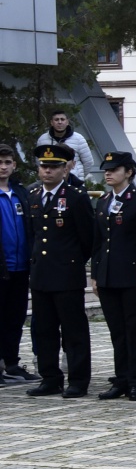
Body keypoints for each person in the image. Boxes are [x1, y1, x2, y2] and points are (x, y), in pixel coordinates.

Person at [25, 144, 96, 397]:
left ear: (65, 169)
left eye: (54, 167)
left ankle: (78, 380)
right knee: (44, 330)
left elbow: (88, 237)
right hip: (41, 275)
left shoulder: (76, 197)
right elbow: (32, 236)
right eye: (44, 166)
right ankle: (50, 378)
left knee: (73, 331)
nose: (48, 171)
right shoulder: (33, 196)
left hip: (67, 275)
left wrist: (72, 261)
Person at [90, 152, 136, 401]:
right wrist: (96, 274)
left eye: (114, 169)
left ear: (128, 172)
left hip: (132, 276)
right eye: (106, 170)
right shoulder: (104, 200)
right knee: (117, 331)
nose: (108, 173)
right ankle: (121, 379)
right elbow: (99, 242)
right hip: (108, 276)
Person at [0, 146, 30, 381]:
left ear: (14, 165)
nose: (3, 167)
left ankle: (11, 363)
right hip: (1, 267)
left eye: (7, 162)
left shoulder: (21, 193)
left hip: (21, 267)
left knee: (15, 318)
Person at [37, 111, 96, 181]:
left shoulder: (79, 138)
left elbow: (88, 162)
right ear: (51, 122)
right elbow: (39, 161)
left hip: (74, 181)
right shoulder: (43, 139)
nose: (59, 122)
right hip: (51, 180)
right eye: (56, 120)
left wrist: (78, 175)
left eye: (62, 119)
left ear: (67, 122)